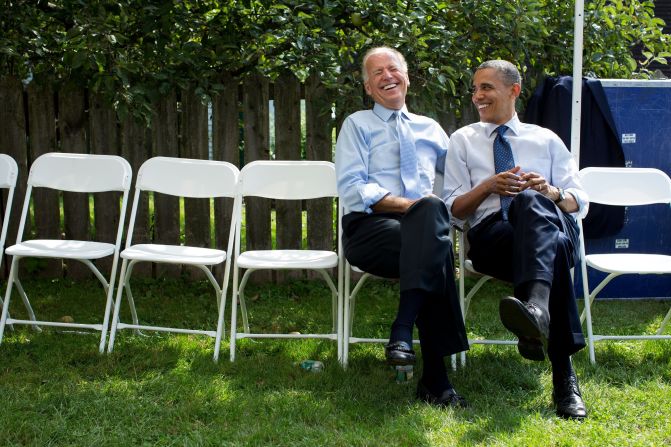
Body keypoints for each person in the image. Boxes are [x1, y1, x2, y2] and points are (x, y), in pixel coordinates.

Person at [443, 60, 589, 420]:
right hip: (495, 238)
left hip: (551, 222)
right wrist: (489, 186)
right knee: (550, 247)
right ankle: (563, 375)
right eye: (475, 88)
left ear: (514, 91)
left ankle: (535, 314)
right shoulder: (462, 140)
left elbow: (579, 201)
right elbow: (453, 210)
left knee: (532, 203)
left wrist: (550, 192)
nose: (478, 95)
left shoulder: (546, 139)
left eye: (486, 87)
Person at [335, 46, 469, 408]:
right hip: (371, 230)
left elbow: (459, 180)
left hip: (422, 232)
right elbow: (352, 189)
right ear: (367, 87)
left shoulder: (432, 130)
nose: (387, 76)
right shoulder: (357, 126)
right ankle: (435, 378)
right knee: (433, 239)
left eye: (393, 69)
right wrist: (419, 207)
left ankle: (403, 336)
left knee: (430, 238)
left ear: (407, 78)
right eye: (376, 73)